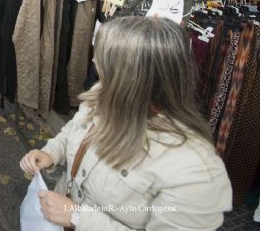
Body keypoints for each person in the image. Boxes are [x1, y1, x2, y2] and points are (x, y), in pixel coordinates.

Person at [19, 16, 232, 230]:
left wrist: (77, 217)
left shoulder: (194, 170)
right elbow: (74, 130)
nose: (94, 64)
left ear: (130, 80)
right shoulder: (102, 96)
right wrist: (52, 153)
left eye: (104, 64)